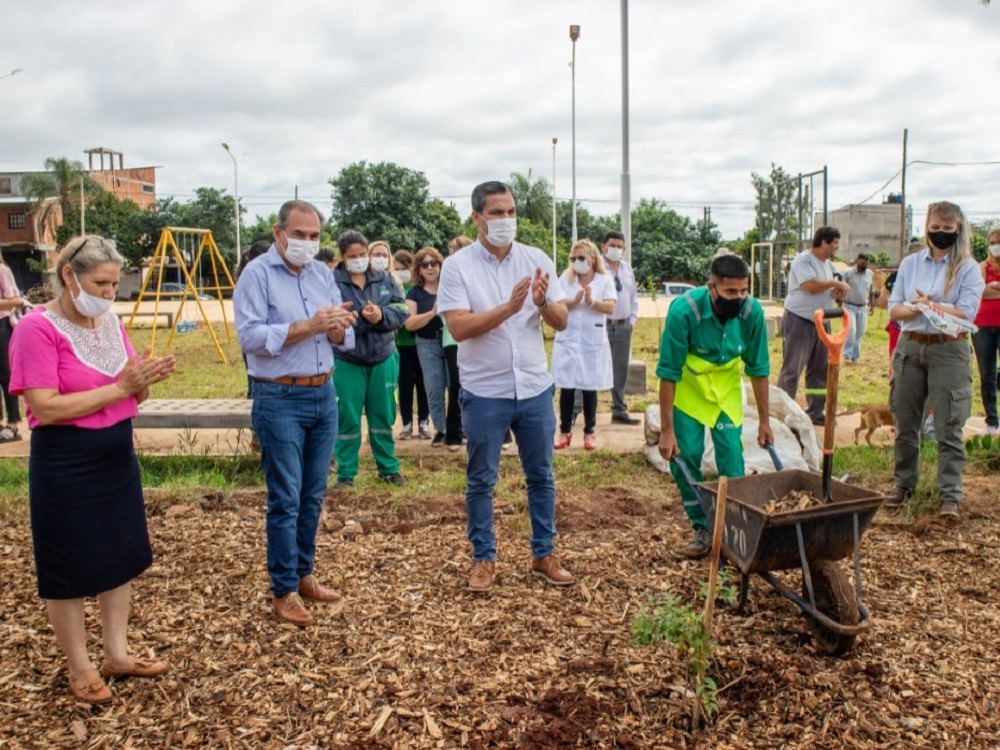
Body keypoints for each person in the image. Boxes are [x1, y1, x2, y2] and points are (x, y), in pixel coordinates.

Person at [9, 235, 176, 703]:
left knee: (118, 554)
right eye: (100, 283)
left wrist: (141, 381)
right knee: (67, 563)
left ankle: (116, 653)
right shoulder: (36, 329)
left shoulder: (108, 323)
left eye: (112, 283)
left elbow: (132, 393)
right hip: (66, 461)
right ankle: (79, 666)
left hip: (115, 456)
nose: (108, 292)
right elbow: (46, 405)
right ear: (69, 276)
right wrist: (122, 386)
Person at [438, 180, 573, 592]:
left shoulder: (535, 259)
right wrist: (509, 308)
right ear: (477, 217)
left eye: (511, 211)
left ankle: (543, 554)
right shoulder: (458, 266)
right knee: (482, 479)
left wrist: (540, 302)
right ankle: (484, 558)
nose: (506, 220)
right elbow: (459, 327)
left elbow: (562, 320)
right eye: (497, 213)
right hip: (485, 391)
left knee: (542, 476)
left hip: (533, 386)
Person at [234, 200, 357, 626]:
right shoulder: (257, 275)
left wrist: (340, 329)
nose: (307, 242)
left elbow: (342, 332)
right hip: (280, 397)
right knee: (285, 497)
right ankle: (283, 588)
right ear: (278, 232)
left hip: (323, 394)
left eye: (314, 236)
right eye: (299, 234)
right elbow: (249, 336)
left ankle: (304, 574)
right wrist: (308, 325)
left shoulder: (323, 274)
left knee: (312, 493)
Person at [656, 255, 772, 558]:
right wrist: (667, 431)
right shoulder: (684, 311)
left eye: (744, 290)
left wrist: (765, 421)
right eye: (731, 292)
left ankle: (734, 529)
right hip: (690, 389)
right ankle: (703, 528)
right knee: (686, 456)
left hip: (726, 388)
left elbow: (759, 369)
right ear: (712, 287)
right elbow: (668, 374)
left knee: (732, 460)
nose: (739, 298)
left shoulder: (752, 313)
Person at [886, 201, 984, 518]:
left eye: (947, 228)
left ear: (958, 229)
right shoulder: (911, 263)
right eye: (935, 227)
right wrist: (919, 308)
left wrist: (933, 305)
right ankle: (904, 485)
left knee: (949, 426)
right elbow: (895, 309)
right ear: (927, 227)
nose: (940, 233)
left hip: (949, 348)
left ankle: (950, 497)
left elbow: (967, 311)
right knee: (905, 422)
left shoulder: (968, 267)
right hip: (911, 345)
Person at [332, 230, 409, 488]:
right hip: (347, 360)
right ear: (342, 257)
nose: (359, 259)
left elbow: (402, 310)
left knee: (383, 415)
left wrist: (382, 316)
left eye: (362, 254)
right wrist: (366, 320)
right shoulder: (332, 283)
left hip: (383, 357)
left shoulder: (386, 278)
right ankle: (346, 472)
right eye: (352, 256)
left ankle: (388, 468)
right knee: (348, 416)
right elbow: (333, 324)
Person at [776, 227, 850, 425]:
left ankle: (816, 412)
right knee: (792, 370)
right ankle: (781, 413)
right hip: (800, 321)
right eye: (834, 243)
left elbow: (826, 286)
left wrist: (836, 291)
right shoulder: (803, 260)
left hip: (822, 323)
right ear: (824, 242)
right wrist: (833, 284)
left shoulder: (827, 264)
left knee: (819, 371)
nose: (837, 247)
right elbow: (808, 285)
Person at [552, 239, 616, 450]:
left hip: (591, 340)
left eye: (581, 258)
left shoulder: (604, 280)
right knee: (567, 386)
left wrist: (591, 302)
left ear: (592, 259)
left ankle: (589, 432)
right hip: (569, 339)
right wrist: (575, 299)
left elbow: (610, 308)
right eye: (573, 258)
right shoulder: (566, 278)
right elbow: (558, 305)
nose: (576, 262)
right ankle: (564, 431)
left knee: (590, 387)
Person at [405, 247, 464, 449]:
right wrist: (432, 312)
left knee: (455, 385)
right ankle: (441, 430)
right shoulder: (414, 293)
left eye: (434, 263)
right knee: (434, 387)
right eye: (425, 264)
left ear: (441, 265)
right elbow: (409, 323)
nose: (430, 267)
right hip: (427, 343)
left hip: (452, 342)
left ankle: (458, 428)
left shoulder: (450, 287)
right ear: (418, 269)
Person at [601, 231, 641, 425]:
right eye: (612, 245)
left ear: (624, 249)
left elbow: (633, 297)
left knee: (620, 370)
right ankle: (576, 411)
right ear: (603, 247)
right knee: (592, 366)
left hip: (623, 326)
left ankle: (619, 410)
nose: (616, 249)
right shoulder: (596, 268)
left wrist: (631, 321)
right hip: (601, 325)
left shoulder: (627, 269)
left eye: (619, 246)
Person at [393, 249, 430, 440]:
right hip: (402, 343)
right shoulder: (394, 289)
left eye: (404, 268)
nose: (400, 272)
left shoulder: (418, 290)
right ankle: (406, 423)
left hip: (422, 342)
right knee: (405, 384)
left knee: (424, 384)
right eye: (396, 268)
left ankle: (424, 421)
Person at [879, 241, 925, 374]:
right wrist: (902, 302)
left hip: (925, 331)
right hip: (899, 327)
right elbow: (882, 301)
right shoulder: (895, 277)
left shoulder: (932, 277)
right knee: (896, 363)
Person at [973, 228, 1000, 438]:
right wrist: (989, 289)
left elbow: (986, 290)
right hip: (982, 326)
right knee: (987, 375)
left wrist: (993, 286)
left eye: (998, 242)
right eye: (992, 242)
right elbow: (979, 290)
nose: (995, 246)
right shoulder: (982, 266)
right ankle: (992, 421)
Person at [0, 250, 25, 442]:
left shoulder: (2, 270)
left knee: (6, 375)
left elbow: (16, 300)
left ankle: (14, 424)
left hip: (2, 325)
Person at [841, 253, 875, 364]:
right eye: (862, 264)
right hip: (849, 305)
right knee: (851, 330)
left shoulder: (870, 274)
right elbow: (840, 287)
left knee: (859, 332)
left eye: (866, 264)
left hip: (863, 307)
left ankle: (855, 357)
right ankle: (847, 355)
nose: (864, 266)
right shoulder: (848, 273)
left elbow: (871, 290)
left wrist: (872, 305)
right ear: (857, 261)